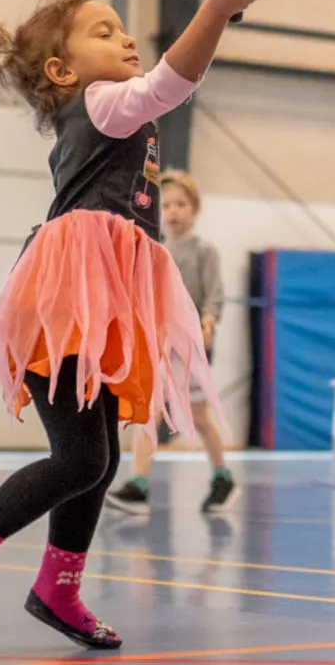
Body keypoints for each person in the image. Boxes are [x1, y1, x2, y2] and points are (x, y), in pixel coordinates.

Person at [0, 0, 257, 649]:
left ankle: (58, 588)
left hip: (97, 301)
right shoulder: (106, 102)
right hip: (70, 300)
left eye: (123, 27)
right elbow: (173, 80)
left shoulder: (118, 114)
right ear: (62, 70)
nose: (126, 38)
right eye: (105, 32)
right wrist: (215, 9)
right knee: (79, 460)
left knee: (95, 459)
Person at [105, 170, 237, 515]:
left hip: (191, 346)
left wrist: (208, 320)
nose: (174, 211)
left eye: (181, 204)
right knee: (149, 413)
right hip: (159, 344)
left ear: (194, 209)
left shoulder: (204, 252)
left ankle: (223, 476)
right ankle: (139, 485)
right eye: (167, 206)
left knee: (200, 417)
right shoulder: (155, 249)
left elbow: (214, 295)